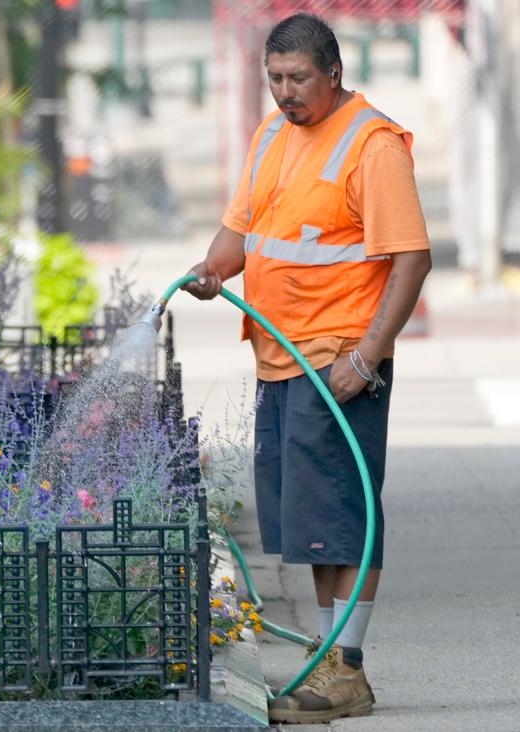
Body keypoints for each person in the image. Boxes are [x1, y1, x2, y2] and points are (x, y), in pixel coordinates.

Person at [183, 12, 431, 725]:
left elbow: (411, 257)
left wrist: (367, 355)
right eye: (275, 80)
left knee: (343, 514)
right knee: (313, 523)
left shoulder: (371, 144)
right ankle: (330, 658)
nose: (286, 93)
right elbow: (244, 227)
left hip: (337, 360)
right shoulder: (271, 134)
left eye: (298, 79)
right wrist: (213, 265)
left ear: (334, 74)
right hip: (280, 356)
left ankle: (347, 669)